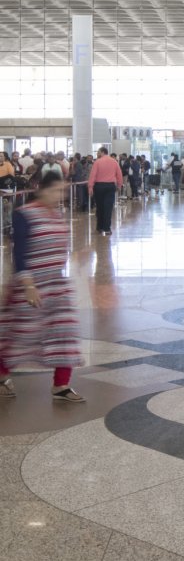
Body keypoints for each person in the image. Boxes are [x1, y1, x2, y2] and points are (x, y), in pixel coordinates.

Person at [0, 172, 85, 402]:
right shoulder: (24, 214)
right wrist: (28, 285)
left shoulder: (57, 214)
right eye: (56, 190)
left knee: (65, 332)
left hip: (56, 285)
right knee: (20, 336)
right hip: (30, 287)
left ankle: (61, 384)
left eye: (62, 191)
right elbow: (19, 253)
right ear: (42, 190)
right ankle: (1, 375)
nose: (60, 195)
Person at [88, 146, 123, 235]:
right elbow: (119, 174)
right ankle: (107, 228)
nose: (97, 153)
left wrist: (90, 187)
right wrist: (119, 185)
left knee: (100, 208)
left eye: (98, 152)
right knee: (108, 208)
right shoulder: (114, 162)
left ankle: (99, 227)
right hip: (110, 186)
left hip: (99, 186)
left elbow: (93, 175)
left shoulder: (97, 162)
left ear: (103, 152)